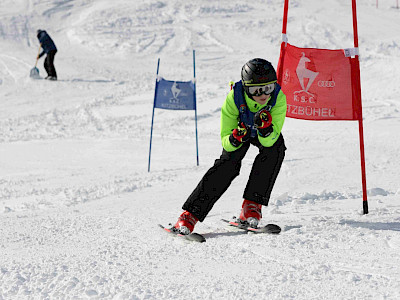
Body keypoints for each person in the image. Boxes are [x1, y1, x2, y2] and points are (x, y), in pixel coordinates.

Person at [173, 58, 287, 235]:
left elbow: (270, 140)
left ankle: (251, 205)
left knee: (276, 149)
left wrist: (265, 129)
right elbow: (226, 140)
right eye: (256, 90)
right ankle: (190, 215)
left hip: (264, 132)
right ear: (247, 88)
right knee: (228, 164)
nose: (263, 95)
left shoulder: (278, 98)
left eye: (268, 88)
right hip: (240, 131)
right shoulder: (234, 98)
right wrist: (235, 138)